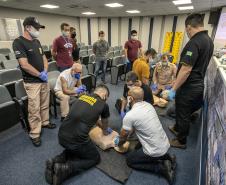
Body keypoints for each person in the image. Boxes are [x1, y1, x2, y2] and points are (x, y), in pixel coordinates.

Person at [45, 84, 111, 185]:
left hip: (61, 135)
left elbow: (91, 115)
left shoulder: (82, 97)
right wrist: (105, 131)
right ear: (105, 95)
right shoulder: (103, 105)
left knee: (76, 147)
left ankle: (55, 160)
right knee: (94, 158)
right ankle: (65, 169)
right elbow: (105, 126)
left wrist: (99, 124)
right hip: (76, 140)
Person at [166, 13, 214, 149]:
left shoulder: (194, 42)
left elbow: (186, 70)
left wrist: (174, 89)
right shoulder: (208, 40)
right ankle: (177, 127)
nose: (187, 32)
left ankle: (181, 141)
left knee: (183, 112)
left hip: (189, 86)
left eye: (186, 30)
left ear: (188, 27)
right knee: (183, 111)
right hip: (198, 83)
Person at [115, 87, 176, 185]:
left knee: (130, 160)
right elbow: (137, 125)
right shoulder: (149, 105)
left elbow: (123, 137)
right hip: (165, 144)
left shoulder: (130, 115)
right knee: (140, 144)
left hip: (155, 150)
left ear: (130, 98)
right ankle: (167, 157)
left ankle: (161, 168)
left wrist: (119, 143)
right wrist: (129, 134)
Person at [12, 17, 56, 147]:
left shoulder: (36, 41)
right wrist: (38, 75)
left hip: (43, 79)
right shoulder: (18, 42)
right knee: (34, 108)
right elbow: (24, 64)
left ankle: (45, 122)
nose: (38, 30)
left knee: (44, 104)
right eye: (36, 28)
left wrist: (45, 72)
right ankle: (35, 133)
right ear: (27, 27)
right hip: (32, 82)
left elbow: (44, 59)